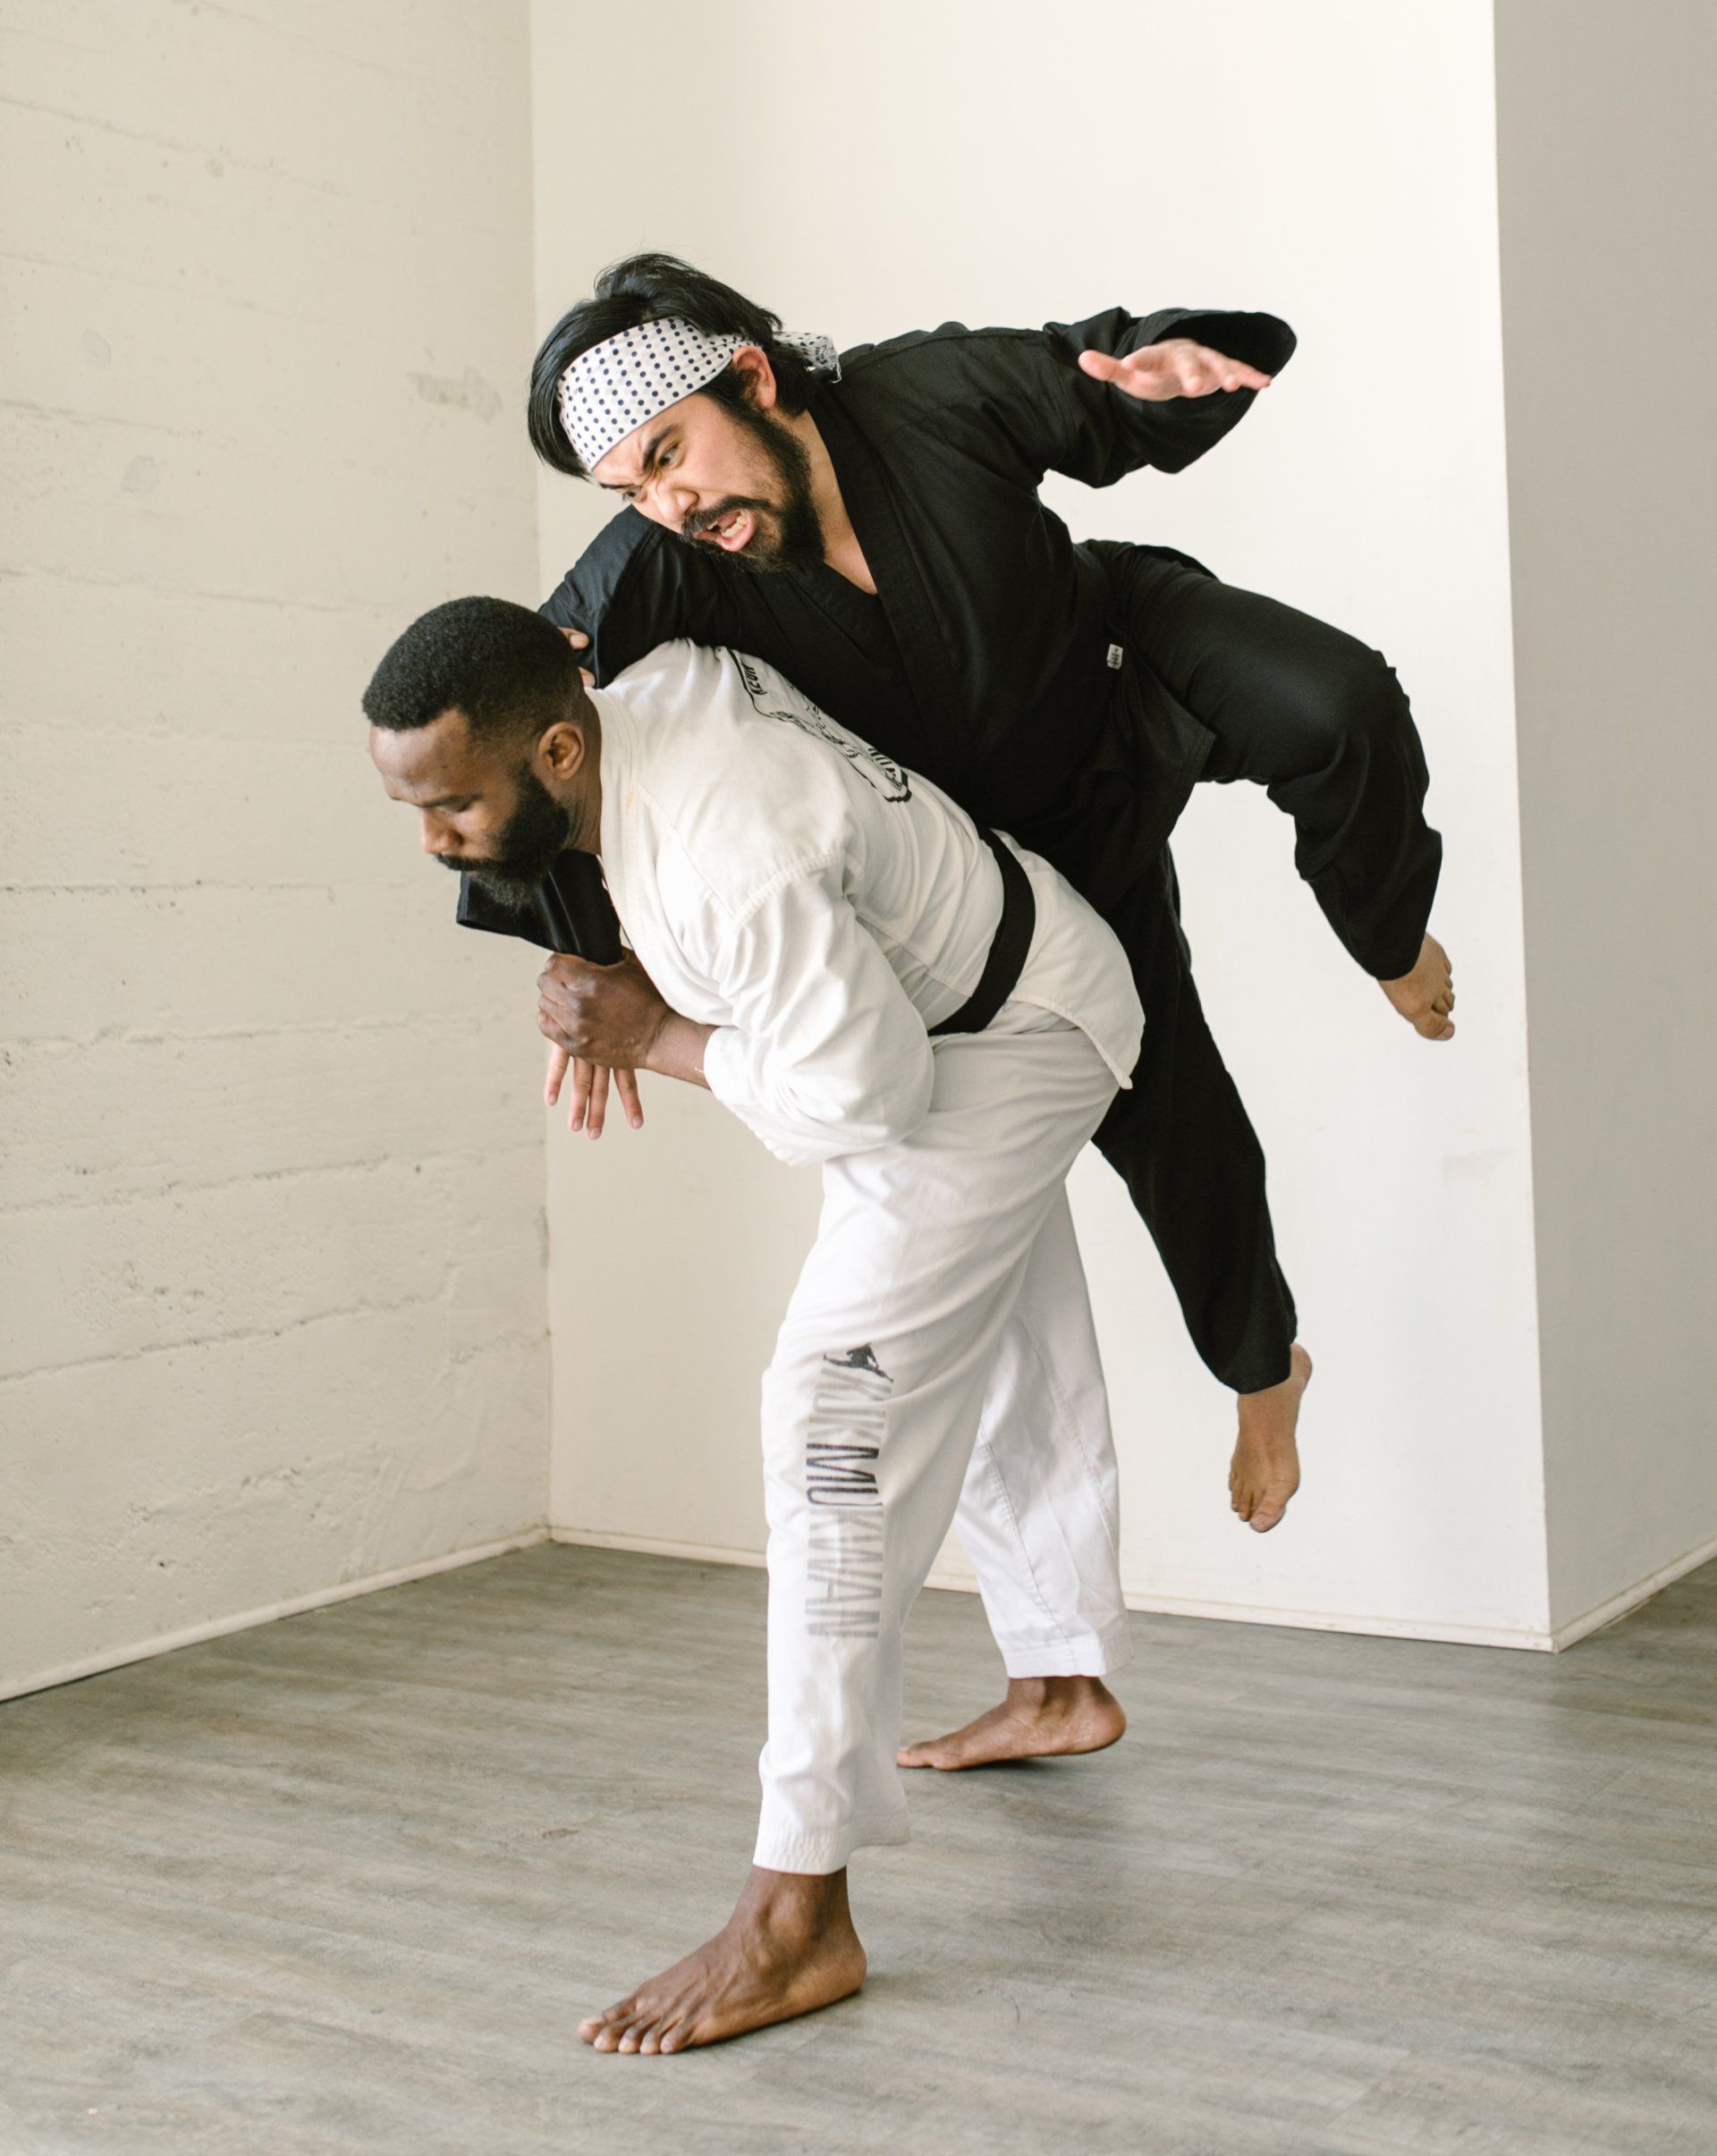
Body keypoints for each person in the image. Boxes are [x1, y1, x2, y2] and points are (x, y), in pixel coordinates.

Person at [466, 254, 1452, 1534]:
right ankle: (1268, 1374)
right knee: (1169, 1115)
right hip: (1033, 859)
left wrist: (1167, 372)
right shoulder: (665, 566)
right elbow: (526, 726)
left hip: (1124, 660)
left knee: (1339, 707)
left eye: (671, 453)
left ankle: (1384, 932)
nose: (670, 503)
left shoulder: (921, 393)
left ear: (752, 378)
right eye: (634, 488)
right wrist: (597, 954)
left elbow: (1090, 380)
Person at [363, 596, 1146, 2053]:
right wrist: (637, 989)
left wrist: (650, 1031)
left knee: (834, 1416)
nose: (434, 841)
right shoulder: (650, 689)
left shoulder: (728, 857)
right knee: (989, 1340)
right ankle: (1060, 1673)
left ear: (553, 746)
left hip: (999, 1048)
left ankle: (800, 1911)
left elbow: (870, 1098)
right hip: (1005, 986)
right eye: (413, 807)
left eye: (456, 803)